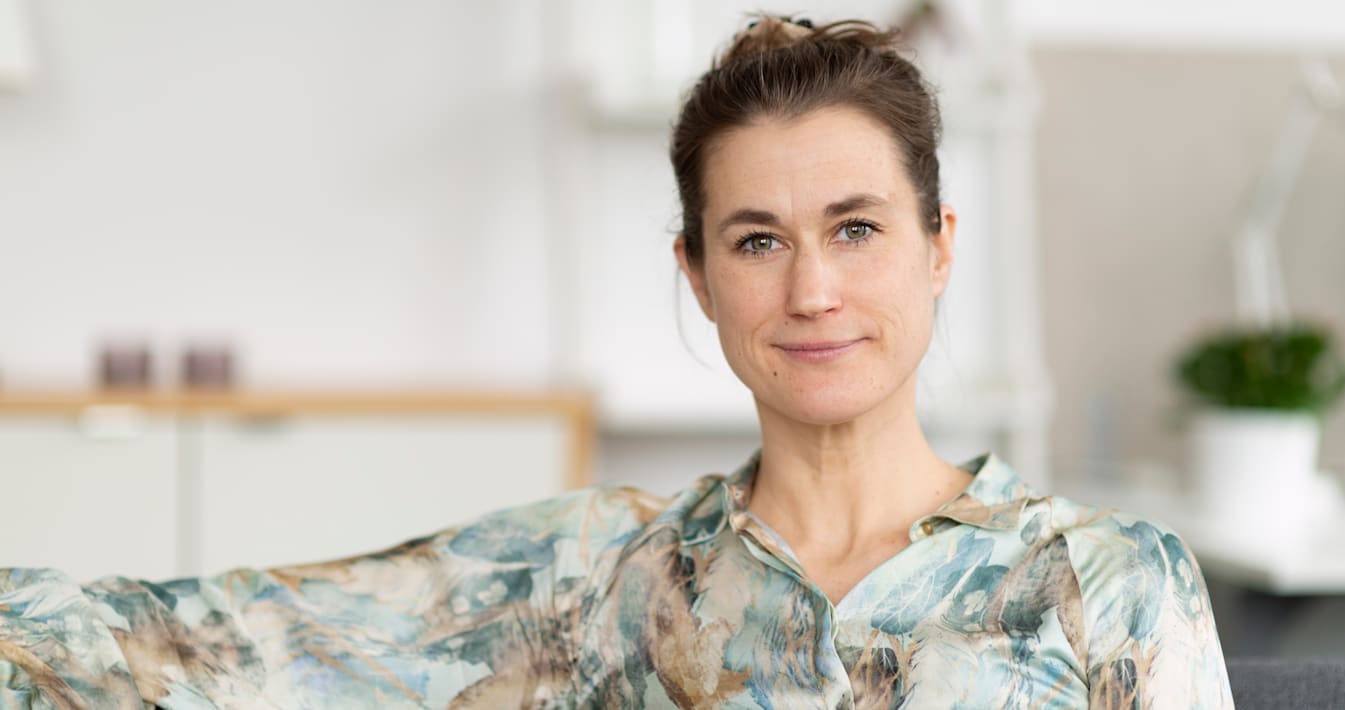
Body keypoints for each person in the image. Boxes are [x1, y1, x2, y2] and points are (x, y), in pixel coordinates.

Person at [0, 15, 1232, 709]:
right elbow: (195, 645)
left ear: (939, 246)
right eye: (758, 240)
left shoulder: (1112, 579)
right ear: (696, 272)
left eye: (856, 228)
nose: (813, 289)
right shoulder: (597, 575)